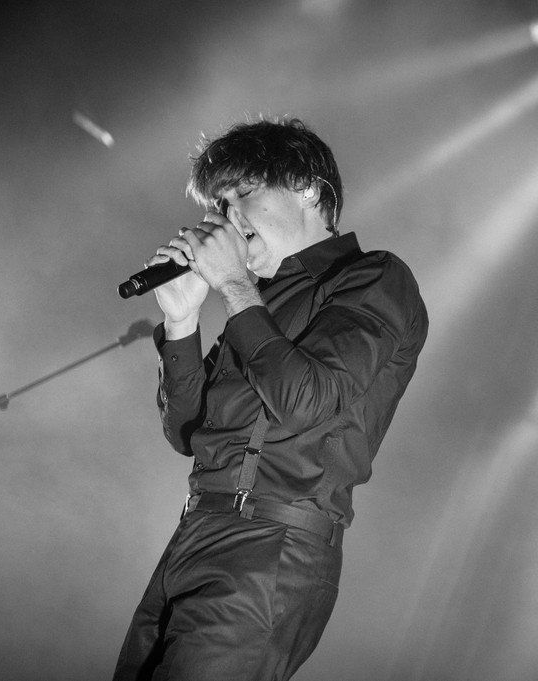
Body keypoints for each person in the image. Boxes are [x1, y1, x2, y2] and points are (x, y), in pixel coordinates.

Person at [112, 117, 428, 680]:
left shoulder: (373, 278)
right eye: (220, 204)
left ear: (306, 188)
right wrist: (182, 321)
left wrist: (235, 287)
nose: (228, 217)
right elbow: (187, 433)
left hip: (269, 551)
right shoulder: (258, 303)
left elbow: (305, 401)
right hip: (193, 536)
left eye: (242, 194)